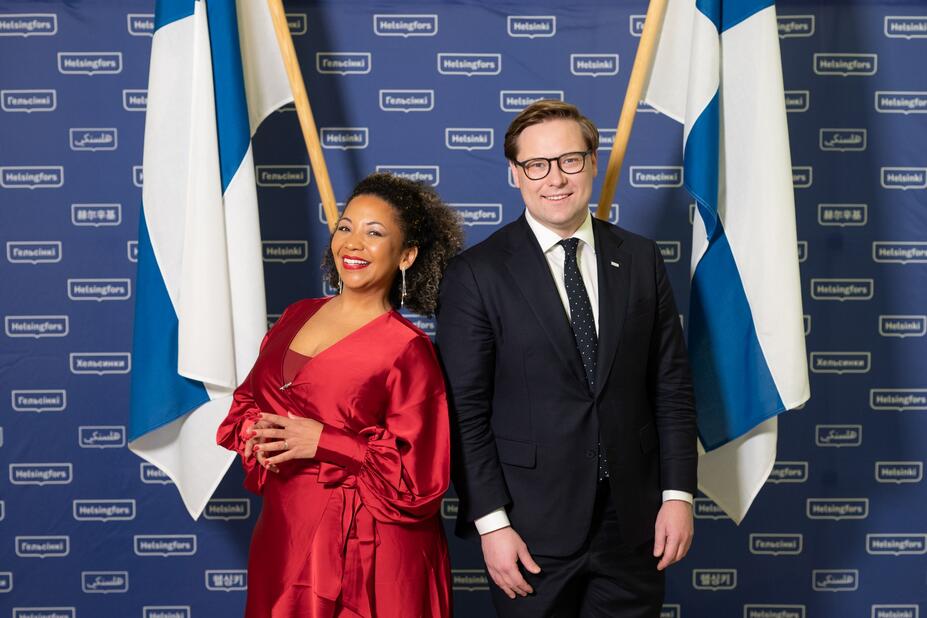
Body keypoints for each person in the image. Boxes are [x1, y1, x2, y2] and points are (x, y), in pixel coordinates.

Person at [436, 100, 698, 617]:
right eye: (536, 165)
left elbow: (671, 387)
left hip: (634, 522)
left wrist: (678, 496)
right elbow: (466, 413)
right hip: (530, 529)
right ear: (515, 174)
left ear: (593, 162)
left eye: (570, 160)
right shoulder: (476, 274)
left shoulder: (641, 257)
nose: (554, 178)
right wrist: (493, 525)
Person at [217, 172, 464, 618]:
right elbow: (249, 401)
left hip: (367, 547)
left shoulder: (409, 350)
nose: (353, 243)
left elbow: (420, 481)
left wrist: (324, 441)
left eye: (374, 233)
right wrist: (259, 434)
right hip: (284, 530)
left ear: (406, 255)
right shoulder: (297, 314)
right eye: (345, 227)